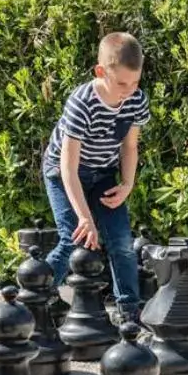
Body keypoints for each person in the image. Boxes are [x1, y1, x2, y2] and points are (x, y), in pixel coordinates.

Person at [42, 32, 150, 324]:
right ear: (101, 72)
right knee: (73, 238)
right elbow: (68, 166)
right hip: (63, 174)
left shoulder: (136, 100)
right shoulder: (82, 103)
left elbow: (129, 146)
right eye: (122, 83)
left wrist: (127, 184)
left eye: (136, 82)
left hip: (103, 173)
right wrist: (85, 217)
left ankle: (129, 312)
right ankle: (36, 294)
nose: (129, 90)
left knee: (121, 242)